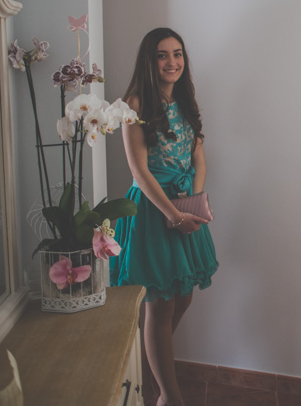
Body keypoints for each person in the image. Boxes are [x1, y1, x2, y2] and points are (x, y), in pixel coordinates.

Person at [110, 28, 219, 406]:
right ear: (149, 59)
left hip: (185, 204)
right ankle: (170, 397)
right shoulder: (134, 103)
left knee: (183, 296)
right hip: (153, 212)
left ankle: (149, 361)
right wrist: (173, 215)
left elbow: (198, 156)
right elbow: (139, 172)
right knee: (161, 303)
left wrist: (192, 199)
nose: (172, 62)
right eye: (162, 55)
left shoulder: (186, 98)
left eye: (177, 54)